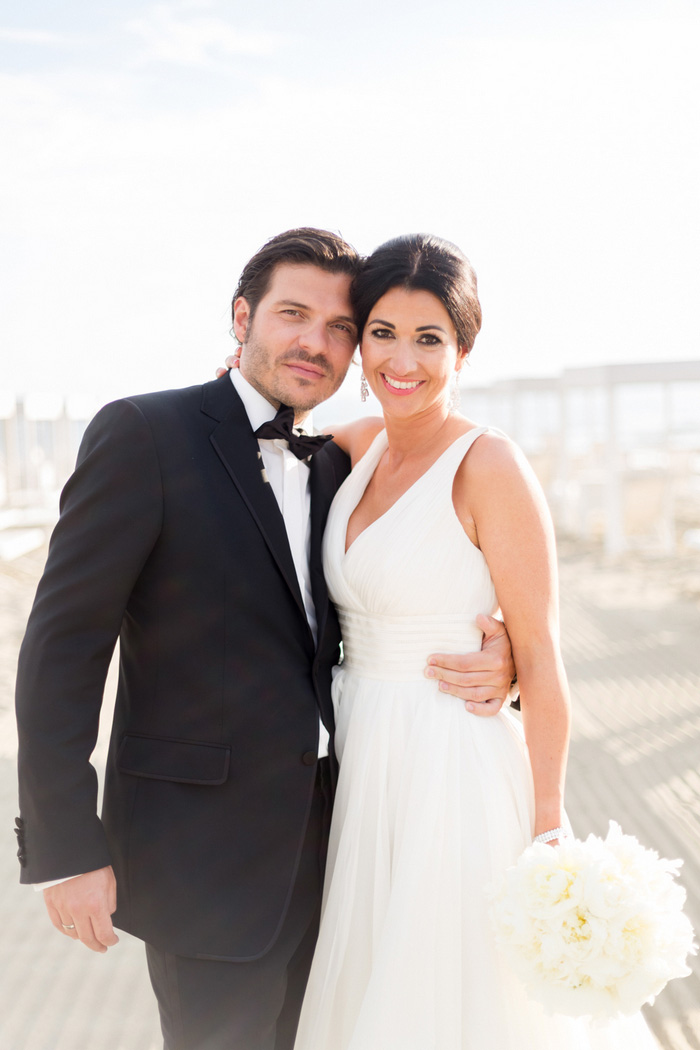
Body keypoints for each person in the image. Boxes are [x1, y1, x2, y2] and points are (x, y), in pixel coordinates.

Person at [14, 228, 516, 1050]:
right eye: (292, 314)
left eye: (340, 327)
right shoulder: (143, 434)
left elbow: (382, 608)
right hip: (203, 861)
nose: (315, 342)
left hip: (345, 848)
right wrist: (67, 849)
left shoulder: (336, 464)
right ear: (243, 317)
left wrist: (508, 660)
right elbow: (61, 649)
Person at [291, 234, 661, 1049]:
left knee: (454, 1000)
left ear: (464, 348)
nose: (403, 359)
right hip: (364, 756)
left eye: (430, 338)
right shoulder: (356, 447)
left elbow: (543, 651)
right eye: (383, 332)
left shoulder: (488, 465)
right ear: (360, 341)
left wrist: (549, 821)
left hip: (451, 765)